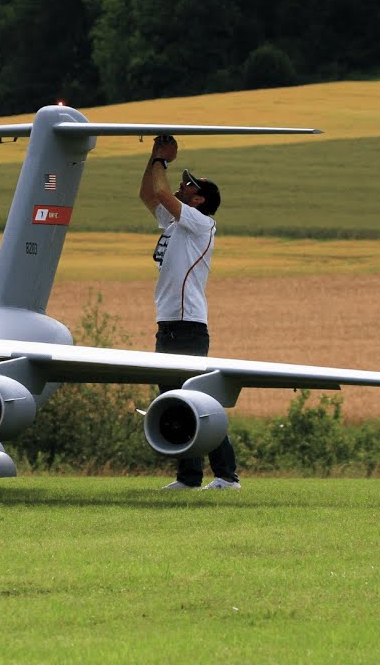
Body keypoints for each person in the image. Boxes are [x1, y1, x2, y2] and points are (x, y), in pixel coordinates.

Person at [139, 134, 240, 491]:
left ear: (199, 200)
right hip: (169, 325)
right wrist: (154, 156)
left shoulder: (200, 223)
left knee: (194, 402)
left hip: (187, 326)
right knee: (174, 402)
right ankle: (189, 478)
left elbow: (163, 193)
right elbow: (149, 196)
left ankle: (227, 477)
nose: (182, 188)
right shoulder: (176, 222)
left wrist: (162, 163)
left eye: (189, 187)